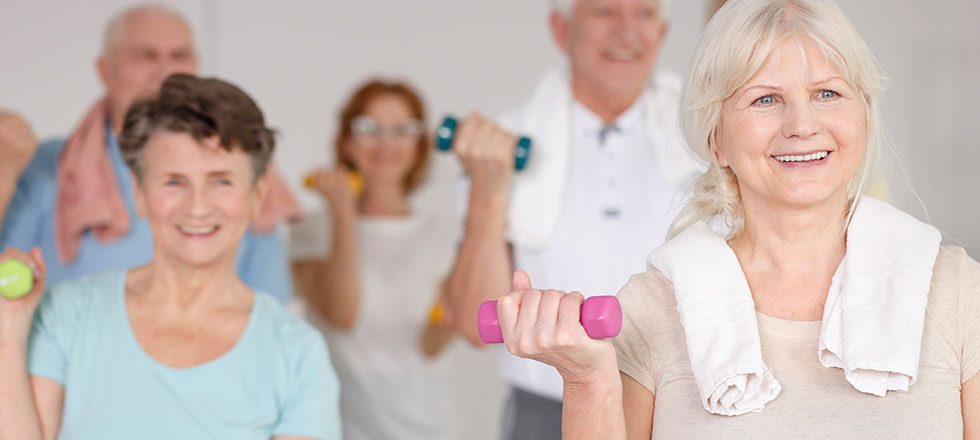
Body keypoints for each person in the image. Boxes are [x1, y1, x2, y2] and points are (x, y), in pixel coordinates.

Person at [493, 0, 980, 438]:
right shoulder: (652, 309)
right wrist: (587, 381)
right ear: (716, 140)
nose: (802, 125)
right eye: (765, 99)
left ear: (864, 117)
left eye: (828, 93)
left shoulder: (958, 292)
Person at [0, 73, 341, 439]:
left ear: (257, 195)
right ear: (140, 193)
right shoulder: (66, 314)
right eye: (174, 181)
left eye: (221, 181)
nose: (197, 206)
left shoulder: (296, 351)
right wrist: (9, 322)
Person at [444, 0, 701, 437]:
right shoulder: (502, 142)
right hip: (548, 414)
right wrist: (487, 188)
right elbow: (474, 322)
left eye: (644, 13)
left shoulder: (708, 138)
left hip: (683, 408)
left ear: (661, 33)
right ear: (562, 30)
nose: (627, 32)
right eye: (605, 12)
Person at [0, 4, 299, 302]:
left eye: (179, 55)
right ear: (105, 70)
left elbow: (269, 303)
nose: (165, 71)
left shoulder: (241, 164)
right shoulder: (45, 166)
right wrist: (3, 170)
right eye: (145, 55)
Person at [290, 80, 458, 440]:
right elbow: (343, 313)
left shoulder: (445, 237)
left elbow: (430, 346)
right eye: (369, 128)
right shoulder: (310, 230)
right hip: (334, 428)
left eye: (402, 130)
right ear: (347, 141)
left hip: (424, 426)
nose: (385, 143)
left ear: (419, 144)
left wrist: (450, 323)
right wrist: (343, 213)